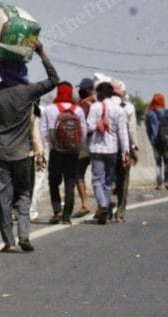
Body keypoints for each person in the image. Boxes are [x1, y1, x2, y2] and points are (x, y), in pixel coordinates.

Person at [0, 40, 59, 252]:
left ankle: (9, 242)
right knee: (23, 194)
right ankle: (24, 234)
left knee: (3, 199)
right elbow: (54, 80)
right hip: (23, 154)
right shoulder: (28, 92)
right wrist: (42, 53)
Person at [39, 82, 87, 225]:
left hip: (56, 151)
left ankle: (57, 211)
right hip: (72, 152)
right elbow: (83, 132)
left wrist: (42, 150)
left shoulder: (49, 109)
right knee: (70, 182)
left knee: (53, 182)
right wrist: (78, 147)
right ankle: (67, 217)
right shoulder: (78, 110)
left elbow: (43, 131)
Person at [86, 82, 130, 225]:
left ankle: (103, 205)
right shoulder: (119, 110)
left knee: (97, 179)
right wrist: (125, 153)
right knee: (108, 181)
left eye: (97, 93)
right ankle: (105, 208)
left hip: (97, 149)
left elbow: (90, 127)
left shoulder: (95, 107)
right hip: (112, 150)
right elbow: (123, 133)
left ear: (101, 93)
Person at [111, 80, 138, 221]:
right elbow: (132, 131)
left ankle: (106, 206)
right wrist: (134, 148)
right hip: (123, 147)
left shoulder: (102, 105)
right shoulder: (128, 108)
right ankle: (120, 212)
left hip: (106, 148)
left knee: (106, 179)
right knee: (124, 180)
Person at [73, 77, 96, 218]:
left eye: (81, 88)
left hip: (84, 145)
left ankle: (85, 204)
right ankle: (103, 204)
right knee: (99, 174)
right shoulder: (100, 104)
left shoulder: (83, 106)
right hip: (100, 145)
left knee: (78, 173)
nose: (79, 91)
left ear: (87, 90)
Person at [146, 93, 168, 190]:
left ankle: (159, 183)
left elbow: (148, 129)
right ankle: (167, 181)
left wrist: (151, 139)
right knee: (167, 160)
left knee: (158, 162)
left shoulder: (150, 113)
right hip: (167, 139)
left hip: (155, 141)